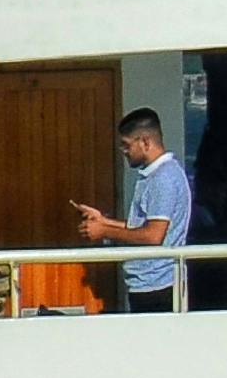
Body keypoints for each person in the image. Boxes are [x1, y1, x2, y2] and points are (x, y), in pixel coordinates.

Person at [76, 108, 192, 310]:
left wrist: (104, 231)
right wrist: (104, 221)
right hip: (147, 284)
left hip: (158, 287)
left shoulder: (163, 178)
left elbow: (153, 235)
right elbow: (143, 226)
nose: (123, 151)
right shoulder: (156, 175)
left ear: (145, 142)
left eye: (126, 145)